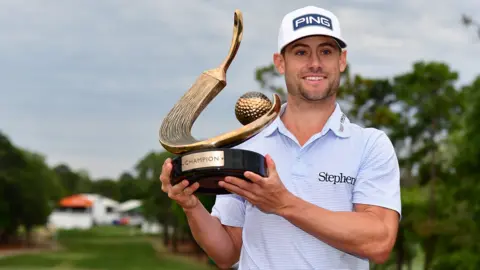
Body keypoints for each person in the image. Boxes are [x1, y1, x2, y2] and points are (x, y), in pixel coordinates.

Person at [159, 5, 401, 270]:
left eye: (326, 51)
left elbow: (378, 241)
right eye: (300, 52)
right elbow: (228, 253)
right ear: (280, 62)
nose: (315, 63)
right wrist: (191, 206)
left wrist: (283, 203)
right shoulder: (247, 146)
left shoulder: (370, 145)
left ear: (341, 61)